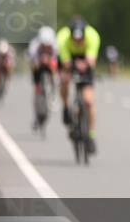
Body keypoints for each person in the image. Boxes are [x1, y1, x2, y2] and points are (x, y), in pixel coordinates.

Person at [56, 17, 102, 154]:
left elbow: (91, 61)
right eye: (75, 39)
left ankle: (91, 135)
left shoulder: (93, 36)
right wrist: (70, 69)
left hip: (85, 59)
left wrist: (85, 65)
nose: (77, 41)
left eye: (80, 39)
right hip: (69, 58)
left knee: (88, 101)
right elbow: (65, 63)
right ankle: (65, 107)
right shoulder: (62, 38)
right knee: (64, 81)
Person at [29, 26, 58, 127]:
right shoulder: (34, 45)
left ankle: (53, 93)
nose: (46, 47)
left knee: (54, 70)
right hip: (38, 64)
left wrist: (49, 62)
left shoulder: (55, 45)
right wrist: (39, 62)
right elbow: (34, 62)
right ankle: (37, 112)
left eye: (48, 45)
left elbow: (56, 60)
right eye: (44, 45)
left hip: (49, 64)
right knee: (37, 89)